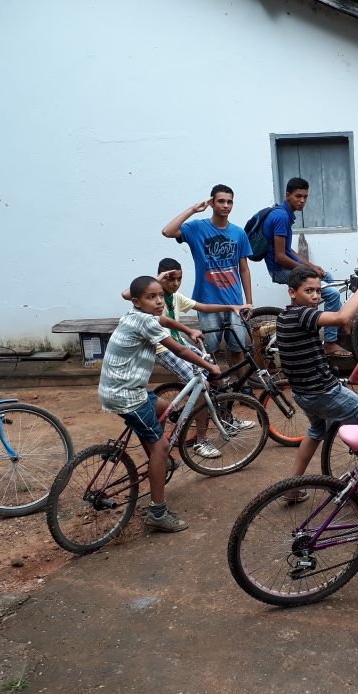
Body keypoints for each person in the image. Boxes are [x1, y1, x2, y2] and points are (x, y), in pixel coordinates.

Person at [99, 275, 222, 532]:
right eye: (151, 297)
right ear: (137, 301)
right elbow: (180, 350)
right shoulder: (145, 321)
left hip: (124, 389)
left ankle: (157, 460)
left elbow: (164, 320)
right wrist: (210, 366)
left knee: (166, 408)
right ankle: (157, 512)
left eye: (159, 296)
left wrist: (188, 330)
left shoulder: (134, 315)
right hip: (127, 396)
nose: (158, 301)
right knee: (162, 446)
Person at [121, 257, 253, 458]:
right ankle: (201, 441)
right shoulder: (150, 298)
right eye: (171, 279)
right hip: (164, 349)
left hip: (179, 342)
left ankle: (226, 420)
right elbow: (126, 294)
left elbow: (202, 307)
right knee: (202, 386)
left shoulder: (176, 297)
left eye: (179, 279)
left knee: (217, 377)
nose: (175, 283)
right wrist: (158, 279)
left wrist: (231, 307)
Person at [277, 267, 358, 492]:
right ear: (292, 292)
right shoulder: (304, 314)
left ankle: (291, 488)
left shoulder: (285, 315)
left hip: (302, 393)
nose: (315, 296)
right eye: (308, 291)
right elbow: (342, 317)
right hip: (323, 392)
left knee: (317, 431)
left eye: (318, 291)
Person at [161, 185, 253, 372]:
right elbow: (168, 232)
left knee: (238, 349)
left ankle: (242, 386)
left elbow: (244, 269)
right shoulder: (197, 228)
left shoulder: (239, 233)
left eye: (229, 202)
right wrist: (193, 209)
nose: (225, 205)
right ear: (212, 203)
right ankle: (216, 386)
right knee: (210, 351)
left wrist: (249, 302)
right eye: (221, 201)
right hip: (207, 301)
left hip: (235, 302)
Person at [263, 177, 347, 356]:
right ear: (288, 195)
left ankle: (315, 321)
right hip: (279, 271)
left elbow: (289, 250)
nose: (302, 200)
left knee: (328, 277)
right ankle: (330, 342)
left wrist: (312, 266)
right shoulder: (281, 217)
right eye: (298, 196)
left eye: (305, 197)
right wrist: (308, 271)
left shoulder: (285, 214)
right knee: (332, 294)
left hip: (285, 267)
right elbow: (280, 257)